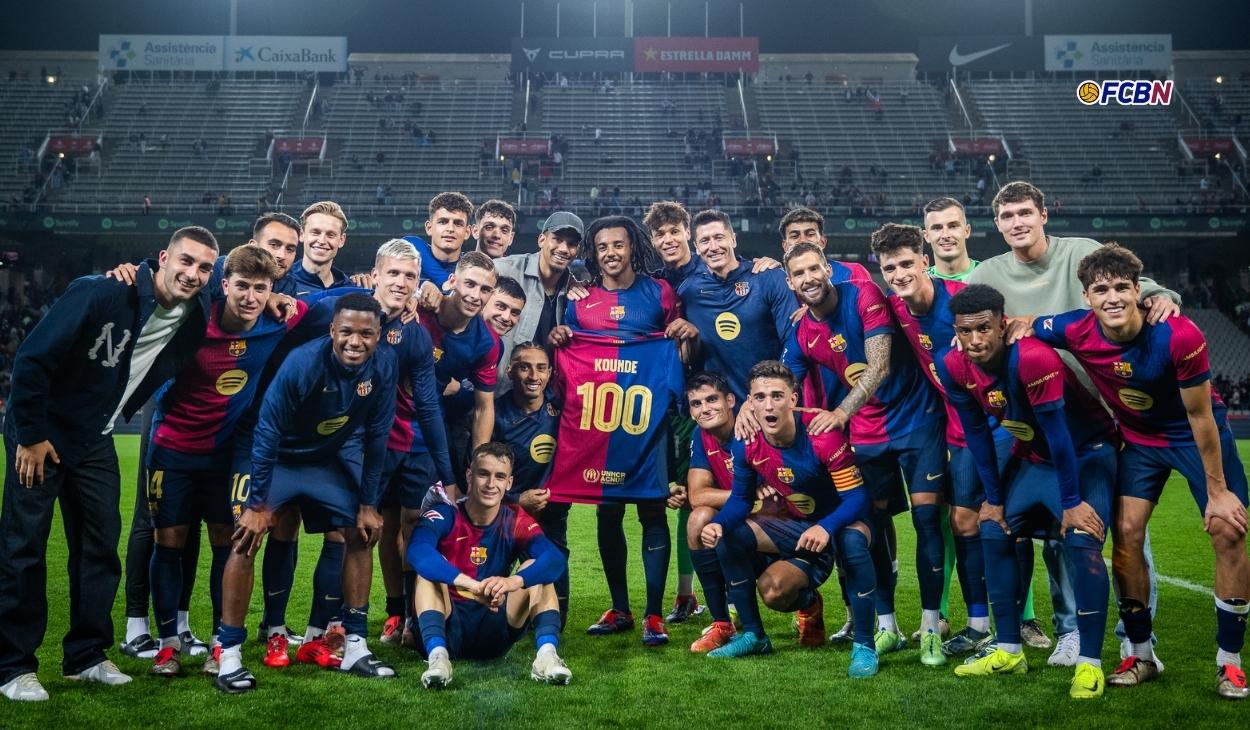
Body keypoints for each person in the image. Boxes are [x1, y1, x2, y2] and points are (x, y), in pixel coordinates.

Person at [0, 226, 218, 702]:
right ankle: (13, 666)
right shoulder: (100, 292)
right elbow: (33, 360)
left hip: (95, 438)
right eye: (186, 261)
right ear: (163, 257)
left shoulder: (193, 315)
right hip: (44, 432)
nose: (193, 273)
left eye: (205, 268)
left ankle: (86, 656)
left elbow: (252, 284)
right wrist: (31, 435)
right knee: (24, 548)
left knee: (100, 547)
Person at [970, 180, 1181, 658]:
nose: (1017, 222)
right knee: (1056, 532)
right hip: (1042, 422)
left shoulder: (1081, 251)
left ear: (1044, 215)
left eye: (1025, 212)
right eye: (1007, 216)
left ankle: (1136, 635)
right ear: (997, 225)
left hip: (1110, 414)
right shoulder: (988, 274)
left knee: (1128, 525)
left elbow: (1137, 288)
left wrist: (1165, 294)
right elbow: (965, 320)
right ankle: (1069, 630)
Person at [1031, 244, 1249, 700]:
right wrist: (1008, 329)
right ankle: (1140, 654)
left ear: (1139, 291)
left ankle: (1229, 663)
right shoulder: (1073, 327)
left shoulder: (1178, 335)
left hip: (1196, 437)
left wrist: (1217, 490)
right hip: (1139, 444)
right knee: (1126, 535)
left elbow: (1201, 416)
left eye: (1121, 288)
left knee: (1228, 530)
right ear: (1086, 296)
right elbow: (1025, 327)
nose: (1111, 297)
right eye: (1100, 289)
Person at [215, 294, 398, 693]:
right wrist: (258, 504)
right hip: (276, 456)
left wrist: (368, 504)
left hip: (323, 459)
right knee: (246, 538)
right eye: (346, 331)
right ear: (332, 330)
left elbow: (378, 435)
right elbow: (267, 432)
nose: (355, 341)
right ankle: (228, 654)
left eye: (366, 334)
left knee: (360, 532)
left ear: (379, 335)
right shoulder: (303, 363)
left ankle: (354, 645)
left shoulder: (385, 364)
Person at [941, 284, 1116, 699]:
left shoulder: (1034, 357)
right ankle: (1008, 650)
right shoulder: (951, 364)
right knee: (991, 527)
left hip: (1085, 453)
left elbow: (1059, 437)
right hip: (1033, 460)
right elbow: (979, 437)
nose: (975, 340)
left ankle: (1090, 664)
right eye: (965, 332)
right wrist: (994, 498)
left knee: (1081, 539)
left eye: (984, 328)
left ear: (1003, 325)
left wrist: (1072, 505)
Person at [777, 239, 947, 665]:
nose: (809, 279)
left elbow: (880, 365)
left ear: (828, 269)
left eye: (815, 269)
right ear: (790, 281)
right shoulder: (802, 330)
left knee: (928, 520)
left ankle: (930, 627)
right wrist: (750, 405)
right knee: (872, 525)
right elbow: (785, 386)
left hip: (917, 421)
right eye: (799, 274)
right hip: (869, 435)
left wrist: (839, 413)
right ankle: (886, 626)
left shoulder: (864, 294)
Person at [144, 245, 306, 677]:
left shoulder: (278, 320)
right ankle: (168, 644)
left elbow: (330, 307)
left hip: (227, 454)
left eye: (261, 288)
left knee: (228, 542)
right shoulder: (191, 318)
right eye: (242, 286)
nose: (251, 297)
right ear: (224, 284)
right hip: (172, 448)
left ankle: (220, 640)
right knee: (169, 542)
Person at [548, 215, 697, 646]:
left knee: (652, 508)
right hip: (596, 426)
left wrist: (685, 336)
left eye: (619, 244)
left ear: (634, 247)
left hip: (647, 423)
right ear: (593, 253)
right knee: (606, 511)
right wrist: (562, 336)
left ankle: (653, 614)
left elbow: (677, 352)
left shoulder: (660, 292)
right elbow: (569, 354)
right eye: (603, 246)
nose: (611, 252)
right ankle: (620, 608)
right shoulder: (580, 299)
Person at [701, 362, 877, 678]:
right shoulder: (745, 442)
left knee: (851, 539)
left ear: (793, 399)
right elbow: (741, 500)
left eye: (777, 396)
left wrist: (827, 526)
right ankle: (754, 636)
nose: (768, 405)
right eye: (760, 397)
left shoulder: (822, 435)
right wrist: (720, 523)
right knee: (764, 580)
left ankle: (864, 646)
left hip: (839, 522)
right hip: (793, 526)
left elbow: (858, 499)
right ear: (749, 402)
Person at [871, 224, 994, 657]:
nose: (900, 273)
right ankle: (980, 625)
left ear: (925, 261)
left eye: (907, 263)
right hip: (960, 429)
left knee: (1013, 525)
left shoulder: (962, 296)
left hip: (1003, 420)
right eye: (890, 267)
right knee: (964, 522)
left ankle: (1037, 625)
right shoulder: (893, 309)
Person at [409, 442, 571, 688]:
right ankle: (438, 659)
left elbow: (555, 559)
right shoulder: (446, 514)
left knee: (536, 568)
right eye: (483, 474)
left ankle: (546, 656)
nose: (491, 484)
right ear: (469, 476)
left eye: (500, 477)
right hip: (449, 623)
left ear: (509, 483)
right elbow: (418, 551)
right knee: (428, 573)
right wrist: (472, 586)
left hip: (495, 625)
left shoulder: (515, 519)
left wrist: (511, 582)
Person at [492, 343, 565, 619]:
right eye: (525, 367)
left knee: (558, 613)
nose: (534, 376)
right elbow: (477, 477)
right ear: (510, 371)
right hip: (503, 513)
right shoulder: (495, 413)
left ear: (550, 373)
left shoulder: (562, 410)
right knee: (490, 606)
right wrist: (516, 500)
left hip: (551, 511)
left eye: (541, 368)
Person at [682, 372, 743, 652]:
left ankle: (807, 607)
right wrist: (745, 495)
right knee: (698, 519)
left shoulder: (752, 425)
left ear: (730, 400)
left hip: (776, 514)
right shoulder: (701, 434)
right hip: (744, 509)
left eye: (711, 400)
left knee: (777, 590)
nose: (704, 409)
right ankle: (722, 622)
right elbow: (697, 495)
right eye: (696, 404)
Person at [491, 211, 585, 389]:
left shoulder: (573, 293)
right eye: (557, 239)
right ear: (542, 240)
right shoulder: (504, 269)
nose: (564, 249)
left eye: (571, 244)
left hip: (536, 400)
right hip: (493, 392)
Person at [777, 207, 872, 283]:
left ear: (823, 242)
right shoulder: (775, 280)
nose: (803, 240)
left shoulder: (853, 272)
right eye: (794, 236)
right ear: (785, 246)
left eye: (810, 234)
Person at [407, 192, 475, 292]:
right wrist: (443, 282)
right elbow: (409, 242)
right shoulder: (410, 257)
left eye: (458, 223)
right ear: (429, 228)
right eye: (443, 222)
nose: (450, 229)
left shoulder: (472, 270)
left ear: (467, 232)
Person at [289, 201, 353, 296]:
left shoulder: (350, 288)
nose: (322, 241)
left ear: (341, 240)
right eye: (315, 232)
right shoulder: (280, 282)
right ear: (302, 234)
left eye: (330, 235)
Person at [922, 197, 979, 281]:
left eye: (953, 226)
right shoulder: (921, 283)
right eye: (937, 228)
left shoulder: (989, 275)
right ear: (926, 236)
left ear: (967, 231)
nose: (945, 235)